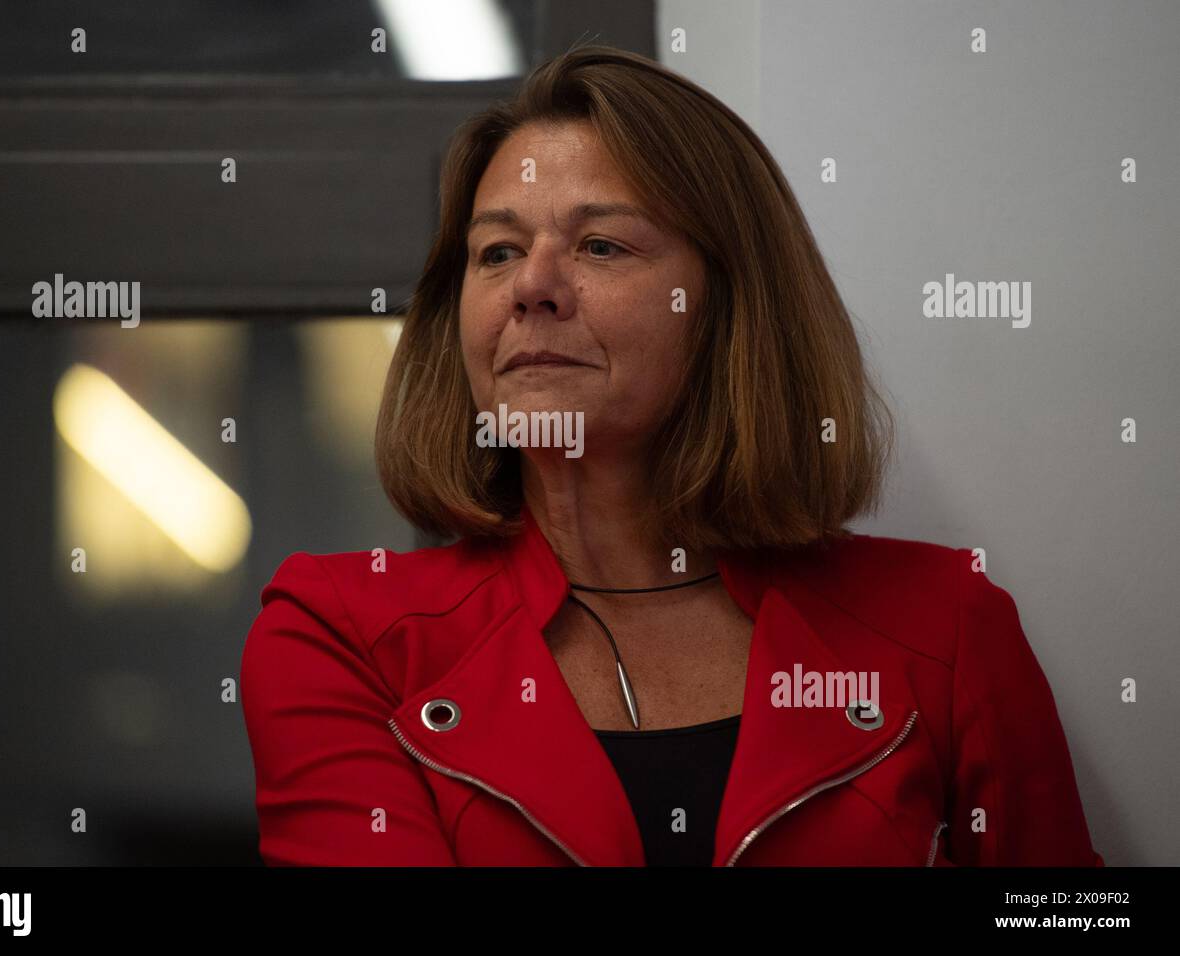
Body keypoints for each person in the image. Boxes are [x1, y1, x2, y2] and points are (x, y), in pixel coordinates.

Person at [239, 45, 1102, 867]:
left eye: (600, 245)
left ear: (730, 305)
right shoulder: (342, 633)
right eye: (496, 252)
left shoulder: (944, 627)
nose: (531, 286)